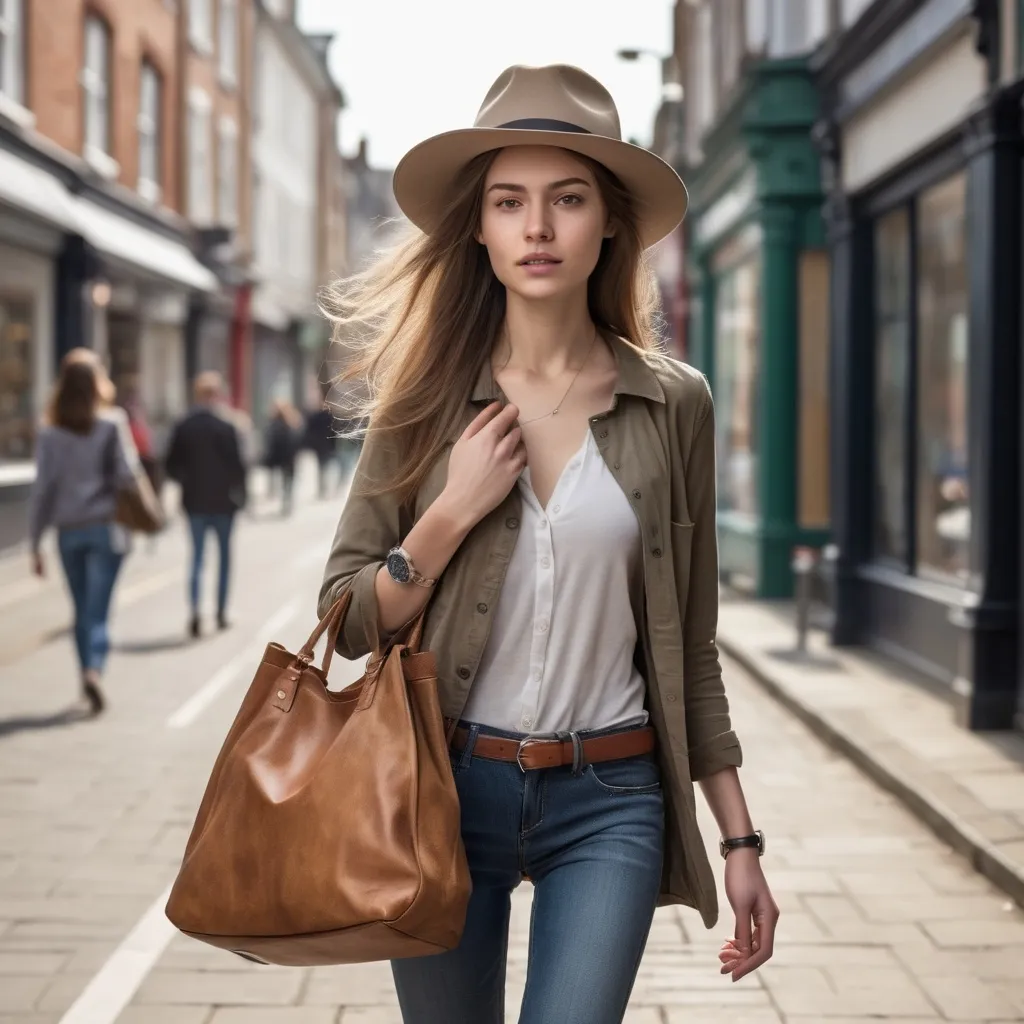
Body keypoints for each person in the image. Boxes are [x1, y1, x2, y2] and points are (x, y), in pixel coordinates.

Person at [318, 64, 779, 1024]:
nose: (537, 228)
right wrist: (447, 516)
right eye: (509, 201)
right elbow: (348, 618)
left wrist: (741, 845)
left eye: (567, 199)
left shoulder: (673, 402)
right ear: (478, 226)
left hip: (611, 798)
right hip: (442, 789)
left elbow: (691, 646)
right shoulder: (425, 401)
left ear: (608, 219)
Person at [28, 348, 142, 715]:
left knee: (80, 610)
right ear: (97, 383)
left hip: (68, 533)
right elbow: (128, 474)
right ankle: (94, 671)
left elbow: (42, 489)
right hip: (105, 529)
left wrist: (34, 543)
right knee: (98, 610)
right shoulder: (111, 423)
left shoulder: (50, 433)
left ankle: (84, 673)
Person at [165, 372, 247, 638]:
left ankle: (196, 612)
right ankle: (221, 613)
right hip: (224, 503)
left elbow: (170, 465)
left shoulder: (184, 426)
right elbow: (238, 466)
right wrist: (242, 495)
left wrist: (186, 481)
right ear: (217, 395)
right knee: (223, 558)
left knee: (198, 558)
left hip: (194, 502)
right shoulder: (227, 425)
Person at [262, 399, 301, 515]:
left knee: (285, 481)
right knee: (288, 482)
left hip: (282, 458)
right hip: (289, 459)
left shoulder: (276, 425)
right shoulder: (292, 423)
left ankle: (285, 502)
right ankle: (287, 502)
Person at [302, 402, 338, 498]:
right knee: (326, 467)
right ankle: (325, 488)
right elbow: (334, 433)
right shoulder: (330, 418)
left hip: (319, 445)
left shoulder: (316, 417)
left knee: (321, 467)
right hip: (326, 445)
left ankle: (322, 488)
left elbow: (310, 431)